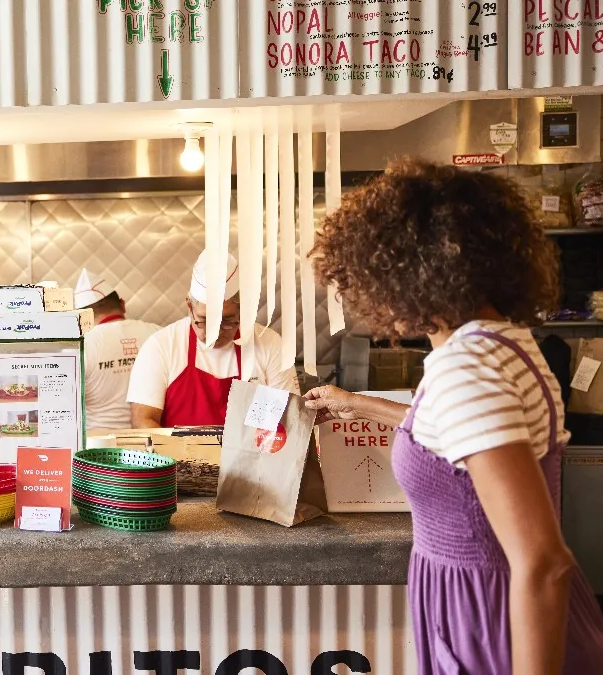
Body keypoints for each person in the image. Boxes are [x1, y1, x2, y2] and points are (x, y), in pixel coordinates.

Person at [303, 159, 603, 674]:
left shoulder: (466, 366)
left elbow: (544, 563)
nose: (375, 298)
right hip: (491, 613)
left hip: (497, 625)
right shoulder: (500, 343)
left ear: (423, 272)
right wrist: (351, 403)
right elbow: (447, 437)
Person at [127, 250, 298, 428]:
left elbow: (286, 419)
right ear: (189, 307)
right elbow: (143, 421)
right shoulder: (161, 346)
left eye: (227, 321)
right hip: (177, 456)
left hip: (251, 455)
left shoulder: (269, 344)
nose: (214, 333)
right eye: (204, 321)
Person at [74, 270, 159, 430]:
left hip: (99, 447)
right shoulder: (157, 333)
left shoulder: (81, 346)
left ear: (81, 318)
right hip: (149, 442)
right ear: (122, 304)